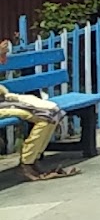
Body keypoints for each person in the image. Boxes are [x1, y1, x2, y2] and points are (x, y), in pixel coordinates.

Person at [0, 40, 79, 181]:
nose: (4, 61)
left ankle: (32, 159)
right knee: (44, 117)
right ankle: (27, 163)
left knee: (52, 112)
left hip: (4, 99)